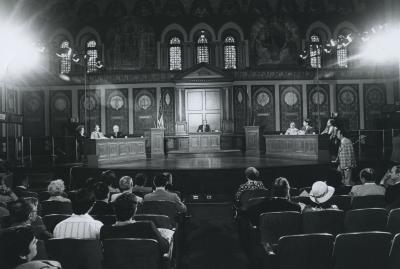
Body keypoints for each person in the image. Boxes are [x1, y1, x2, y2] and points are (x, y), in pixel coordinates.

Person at [100, 193, 170, 254]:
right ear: (135, 210)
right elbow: (165, 248)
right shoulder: (147, 226)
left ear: (115, 209)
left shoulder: (104, 230)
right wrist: (165, 238)